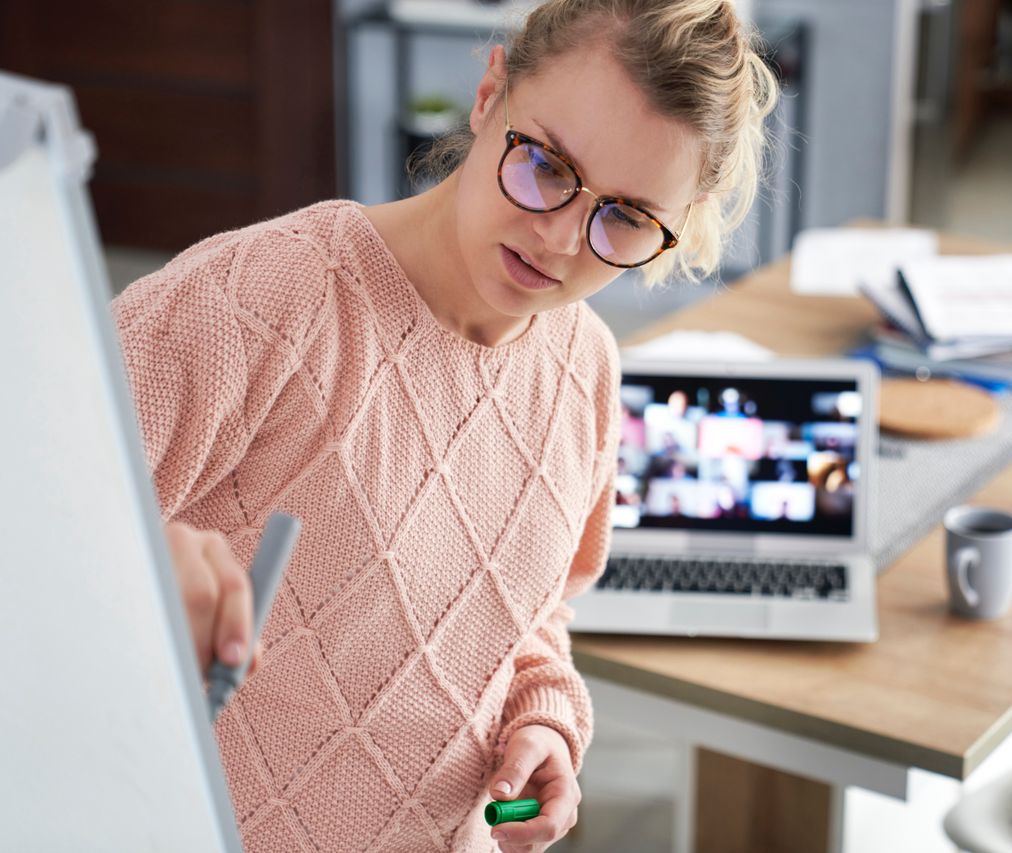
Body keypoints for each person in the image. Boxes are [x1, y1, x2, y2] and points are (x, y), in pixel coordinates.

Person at [111, 1, 776, 849]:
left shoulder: (586, 371)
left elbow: (525, 612)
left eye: (625, 219)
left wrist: (542, 718)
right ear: (489, 91)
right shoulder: (259, 300)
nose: (561, 239)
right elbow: (1, 517)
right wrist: (126, 567)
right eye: (545, 164)